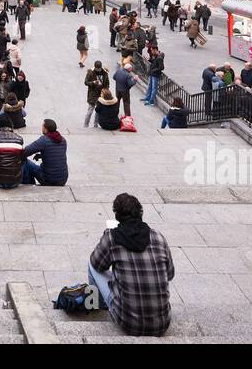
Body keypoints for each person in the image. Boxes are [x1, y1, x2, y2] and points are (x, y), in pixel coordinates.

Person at [88, 192, 176, 337]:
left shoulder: (111, 237)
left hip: (129, 324)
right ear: (140, 213)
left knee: (91, 266)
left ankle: (102, 306)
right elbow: (170, 274)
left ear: (117, 217)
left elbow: (97, 264)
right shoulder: (159, 238)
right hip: (162, 324)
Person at [22, 119, 68, 186]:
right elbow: (56, 155)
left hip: (48, 180)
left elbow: (26, 151)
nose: (42, 128)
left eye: (42, 126)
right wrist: (41, 155)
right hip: (63, 180)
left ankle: (29, 185)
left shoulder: (44, 140)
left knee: (26, 162)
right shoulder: (63, 140)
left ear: (46, 129)